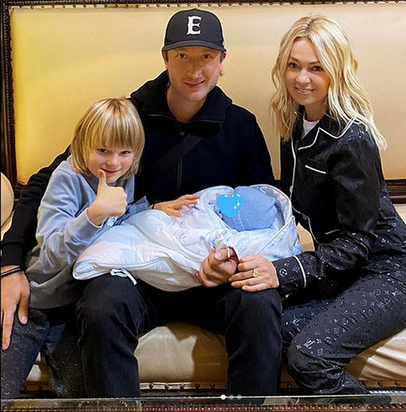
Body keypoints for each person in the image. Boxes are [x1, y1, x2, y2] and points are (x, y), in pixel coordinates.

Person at [1, 9, 278, 398]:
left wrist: (235, 258)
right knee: (100, 305)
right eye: (182, 56)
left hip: (210, 274)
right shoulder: (128, 116)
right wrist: (10, 264)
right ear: (165, 58)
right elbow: (43, 182)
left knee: (260, 304)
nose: (194, 69)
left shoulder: (241, 126)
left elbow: (264, 208)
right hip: (136, 270)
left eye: (206, 56)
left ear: (222, 61)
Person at [201, 15, 406, 394]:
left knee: (309, 357)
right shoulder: (294, 124)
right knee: (260, 329)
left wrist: (282, 271)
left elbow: (358, 244)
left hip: (392, 271)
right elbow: (292, 201)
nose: (302, 79)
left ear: (336, 71)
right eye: (293, 66)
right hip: (344, 271)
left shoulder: (352, 139)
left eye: (316, 68)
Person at [1, 97, 154, 398]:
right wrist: (93, 214)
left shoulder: (124, 177)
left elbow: (117, 224)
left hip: (73, 309)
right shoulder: (67, 178)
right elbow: (51, 253)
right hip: (36, 302)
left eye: (124, 152)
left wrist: (150, 209)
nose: (113, 162)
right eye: (102, 151)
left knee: (81, 395)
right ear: (83, 145)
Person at [73, 185, 302, 292]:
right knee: (103, 300)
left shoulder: (242, 125)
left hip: (221, 284)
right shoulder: (134, 119)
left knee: (259, 302)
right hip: (141, 273)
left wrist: (236, 265)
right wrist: (151, 208)